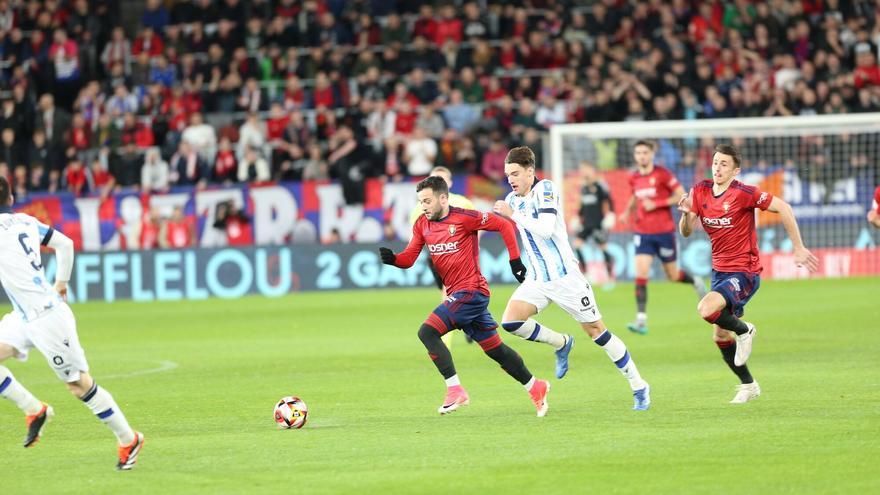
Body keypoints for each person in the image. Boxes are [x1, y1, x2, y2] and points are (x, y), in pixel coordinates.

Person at [0, 177, 144, 469]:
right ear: (12, 199)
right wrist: (61, 283)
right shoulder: (26, 222)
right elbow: (65, 243)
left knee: (79, 386)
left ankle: (129, 439)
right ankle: (34, 409)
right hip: (25, 315)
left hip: (47, 319)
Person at [493, 146, 650, 410]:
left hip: (565, 279)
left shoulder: (546, 189)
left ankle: (639, 385)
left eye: (516, 173)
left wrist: (512, 214)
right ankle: (561, 342)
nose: (511, 179)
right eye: (508, 174)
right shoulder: (514, 199)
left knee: (598, 333)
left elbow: (543, 229)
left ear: (530, 172)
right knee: (510, 321)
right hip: (538, 279)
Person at [379, 175, 552, 417]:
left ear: (442, 198)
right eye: (421, 202)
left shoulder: (464, 218)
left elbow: (504, 225)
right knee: (496, 350)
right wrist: (394, 259)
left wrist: (515, 261)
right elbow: (409, 258)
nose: (424, 206)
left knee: (427, 332)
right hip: (461, 296)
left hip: (471, 291)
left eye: (427, 201)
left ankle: (455, 390)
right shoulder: (421, 224)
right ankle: (536, 386)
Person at [678, 144, 819, 403]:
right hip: (719, 272)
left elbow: (784, 207)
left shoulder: (744, 193)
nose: (718, 168)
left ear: (735, 170)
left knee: (706, 309)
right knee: (720, 334)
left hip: (745, 270)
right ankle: (749, 385)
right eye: (716, 162)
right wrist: (687, 215)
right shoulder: (700, 190)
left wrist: (798, 248)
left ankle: (745, 331)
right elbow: (686, 231)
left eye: (724, 164)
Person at [620, 139, 707, 335]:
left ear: (652, 154)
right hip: (642, 232)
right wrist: (627, 212)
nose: (641, 156)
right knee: (641, 273)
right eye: (638, 153)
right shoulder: (634, 177)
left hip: (664, 232)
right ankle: (641, 319)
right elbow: (635, 196)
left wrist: (658, 203)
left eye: (645, 152)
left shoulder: (662, 174)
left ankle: (696, 281)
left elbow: (681, 195)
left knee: (673, 275)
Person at [407, 166, 475, 349]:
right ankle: (471, 325)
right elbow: (415, 235)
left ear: (450, 183)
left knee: (449, 295)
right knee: (455, 297)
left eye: (442, 180)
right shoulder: (419, 208)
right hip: (435, 257)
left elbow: (478, 228)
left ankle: (445, 341)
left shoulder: (463, 203)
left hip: (460, 257)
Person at [572, 162, 616, 286]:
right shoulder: (583, 187)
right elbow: (582, 205)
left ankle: (610, 278)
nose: (583, 172)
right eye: (581, 170)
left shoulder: (600, 185)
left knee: (603, 248)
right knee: (577, 246)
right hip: (586, 224)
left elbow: (609, 200)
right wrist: (577, 217)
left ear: (591, 170)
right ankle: (585, 274)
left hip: (598, 223)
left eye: (585, 169)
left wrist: (611, 215)